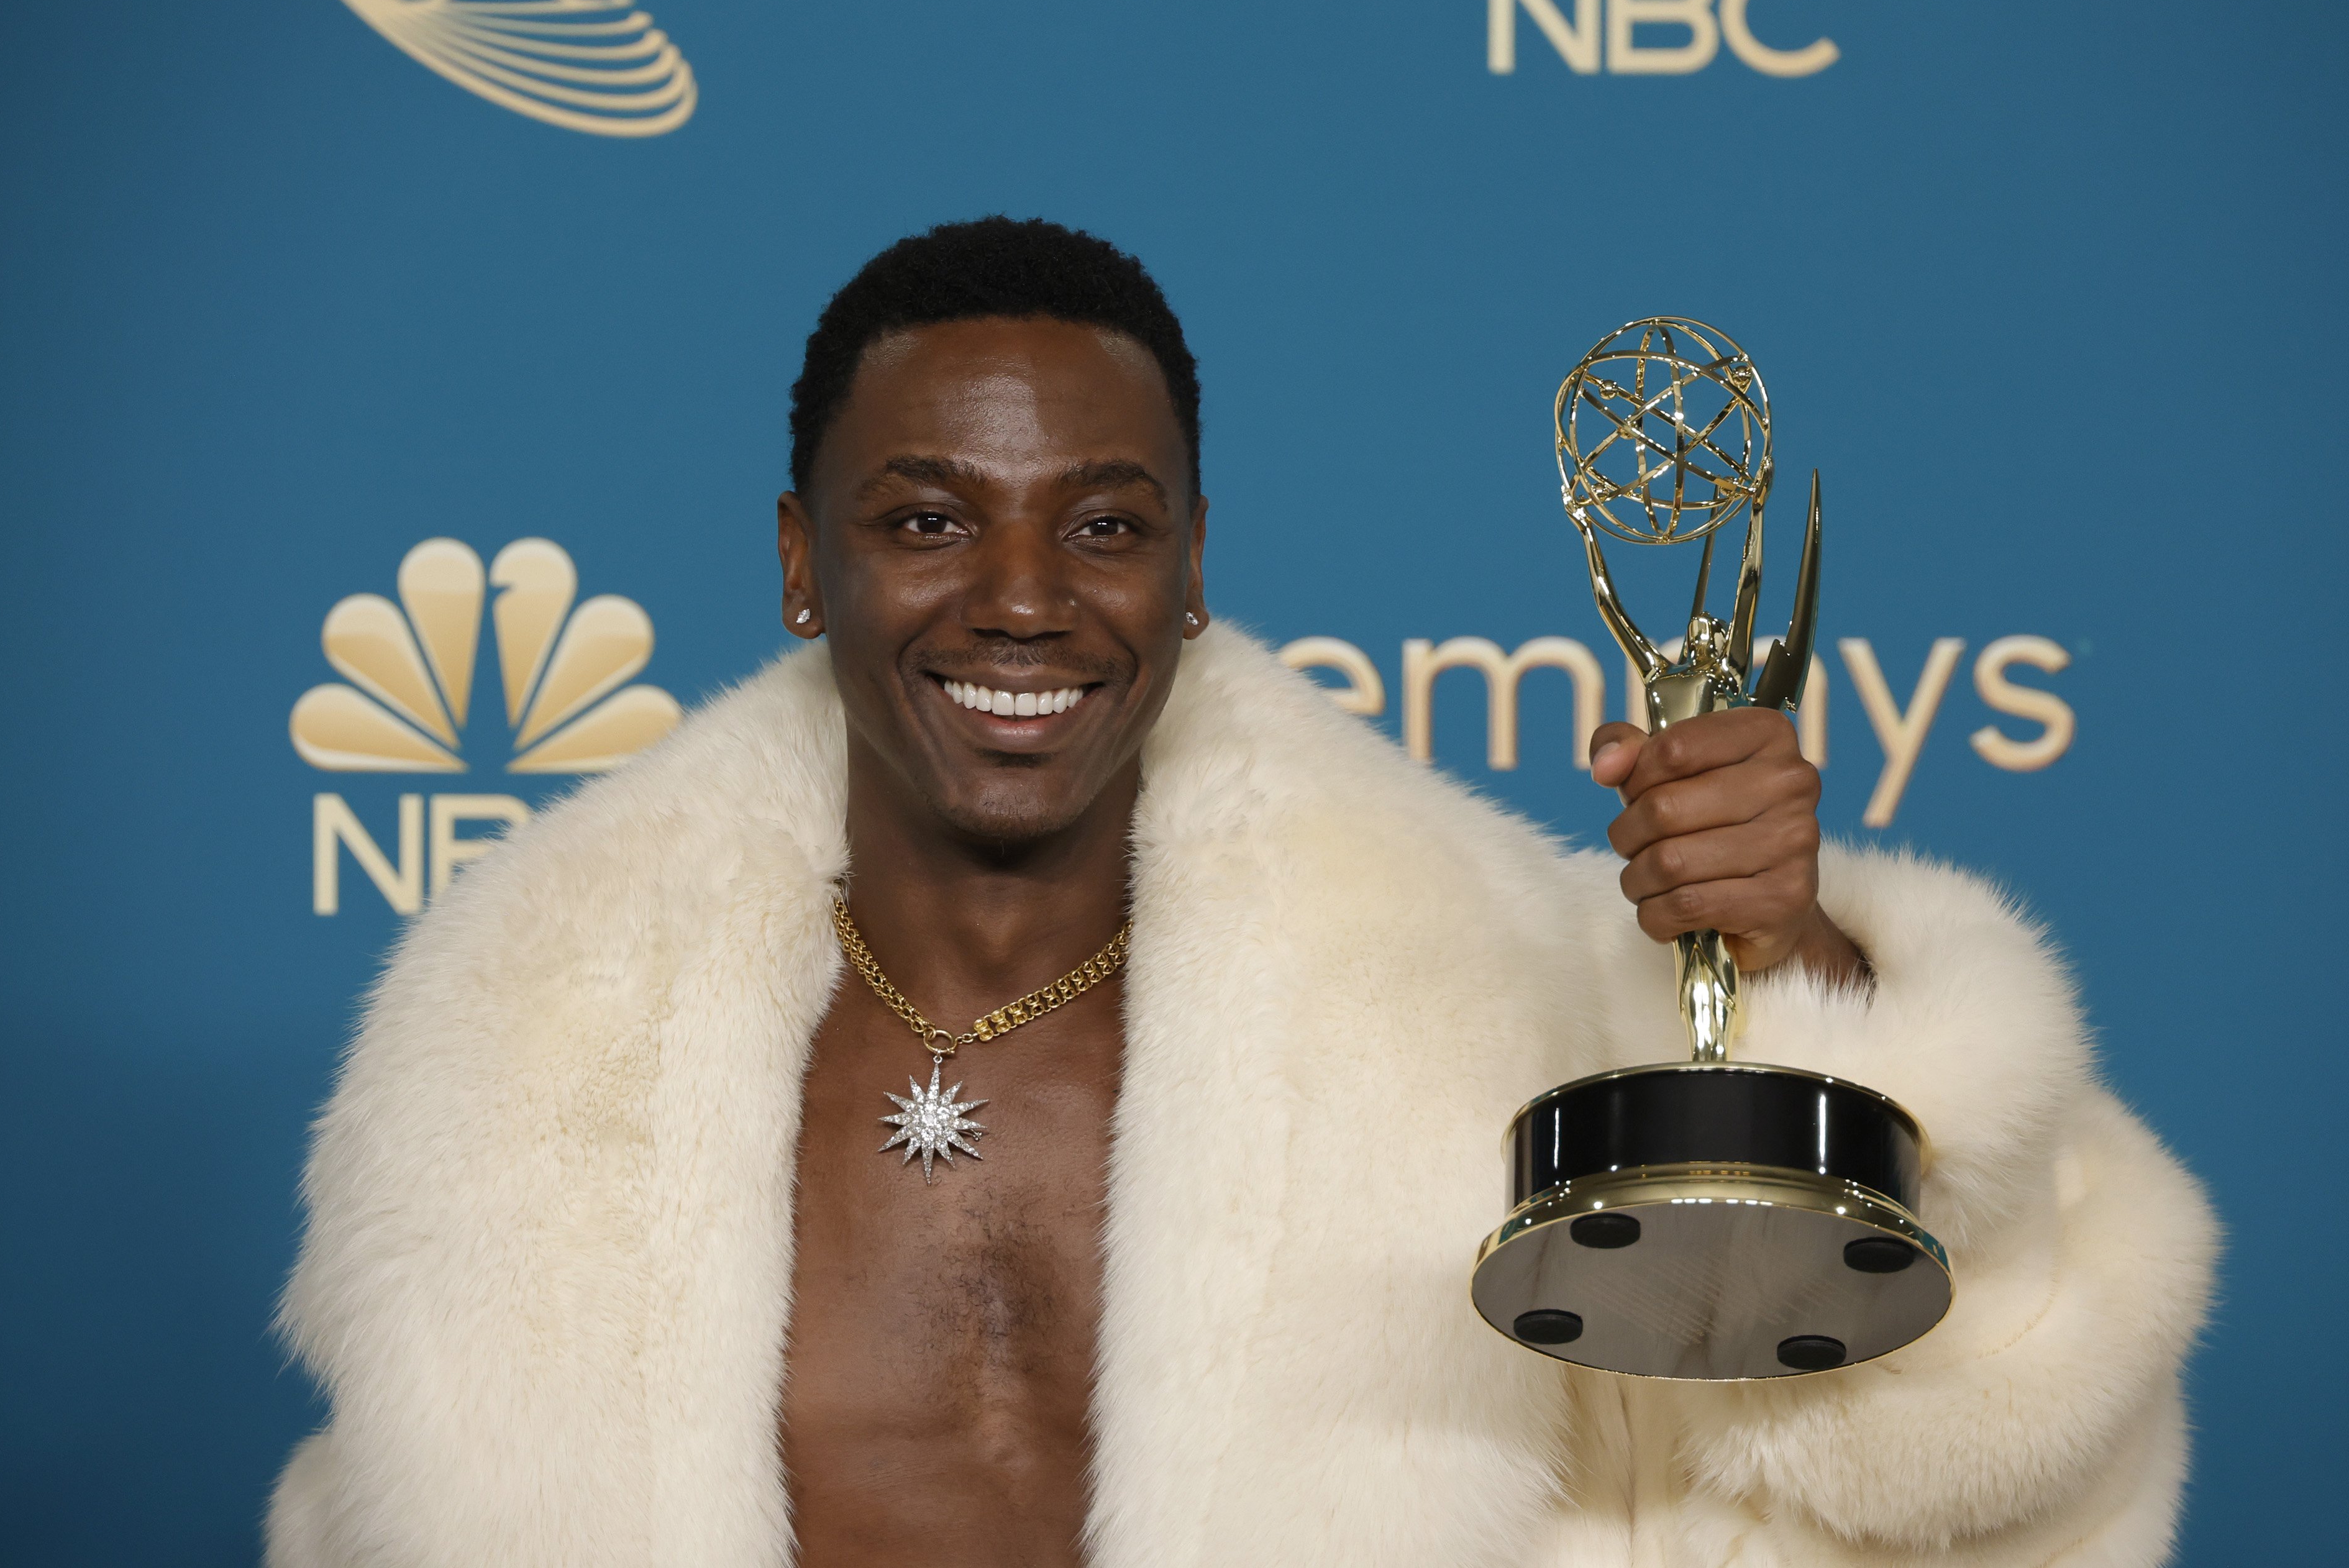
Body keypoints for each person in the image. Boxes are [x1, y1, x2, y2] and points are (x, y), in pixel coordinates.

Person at [267, 217, 2213, 1567]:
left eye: (1105, 525)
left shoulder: (1484, 992)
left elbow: (1959, 1465)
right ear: (804, 565)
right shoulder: (522, 1066)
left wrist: (1794, 974)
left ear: (1194, 564)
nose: (1023, 596)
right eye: (928, 517)